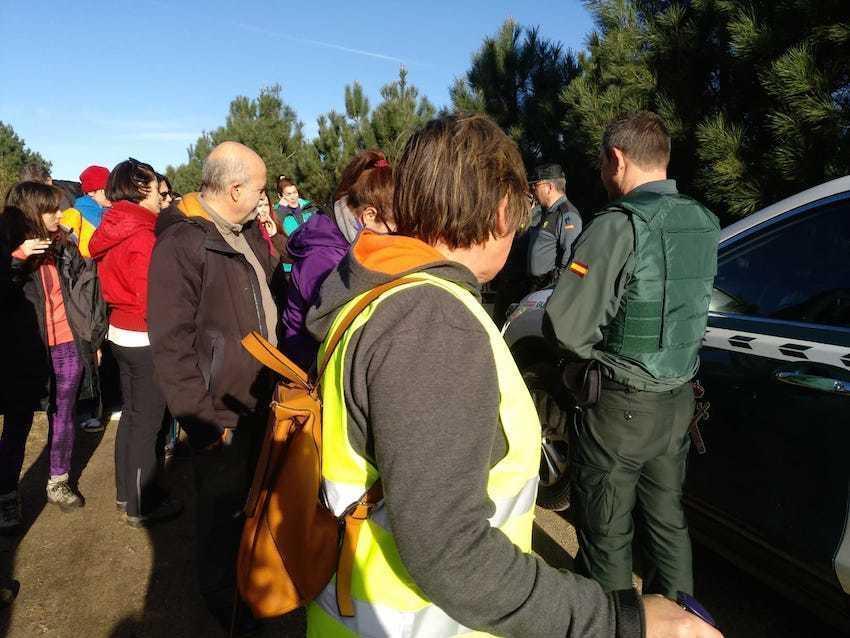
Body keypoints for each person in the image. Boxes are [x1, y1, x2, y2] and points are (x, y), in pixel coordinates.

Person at [304, 114, 720, 638]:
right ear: (504, 210)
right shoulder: (431, 322)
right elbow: (451, 552)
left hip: (386, 616)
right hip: (414, 625)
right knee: (662, 519)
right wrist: (618, 621)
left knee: (613, 524)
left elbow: (567, 325)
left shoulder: (394, 295)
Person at [544, 112, 721, 603]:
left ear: (616, 159)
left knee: (607, 537)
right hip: (677, 405)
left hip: (620, 410)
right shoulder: (703, 221)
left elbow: (566, 325)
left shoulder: (617, 226)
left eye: (602, 163)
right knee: (668, 526)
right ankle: (683, 623)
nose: (601, 174)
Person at [148, 141, 281, 630]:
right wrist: (202, 426)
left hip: (251, 398)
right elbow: (171, 346)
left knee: (246, 503)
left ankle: (244, 578)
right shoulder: (183, 244)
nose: (265, 197)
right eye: (261, 189)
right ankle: (223, 598)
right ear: (235, 188)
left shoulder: (240, 231)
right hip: (218, 410)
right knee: (221, 511)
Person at [0, 181, 106, 530]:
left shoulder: (63, 246)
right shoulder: (7, 249)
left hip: (68, 344)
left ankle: (58, 480)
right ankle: (6, 496)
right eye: (51, 209)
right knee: (18, 421)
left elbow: (85, 292)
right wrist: (17, 259)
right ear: (31, 212)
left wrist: (92, 340)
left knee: (65, 413)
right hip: (25, 349)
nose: (60, 214)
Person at [89, 159, 183, 528]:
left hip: (120, 333)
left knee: (131, 416)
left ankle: (126, 492)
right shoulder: (142, 235)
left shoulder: (116, 225)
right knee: (147, 422)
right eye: (154, 185)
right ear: (140, 188)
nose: (160, 192)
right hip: (144, 336)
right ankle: (141, 504)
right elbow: (152, 298)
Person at [281, 150, 393, 369]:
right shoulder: (323, 260)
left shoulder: (339, 236)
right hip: (311, 369)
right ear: (369, 216)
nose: (394, 238)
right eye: (392, 228)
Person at [526, 163, 582, 286]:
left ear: (549, 187)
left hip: (549, 287)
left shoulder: (567, 215)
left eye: (535, 185)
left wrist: (555, 284)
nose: (533, 190)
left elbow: (571, 254)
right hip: (533, 285)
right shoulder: (542, 213)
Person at [61, 165, 111, 259]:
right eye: (107, 190)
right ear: (92, 192)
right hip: (86, 270)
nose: (111, 194)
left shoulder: (114, 211)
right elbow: (67, 254)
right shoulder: (75, 214)